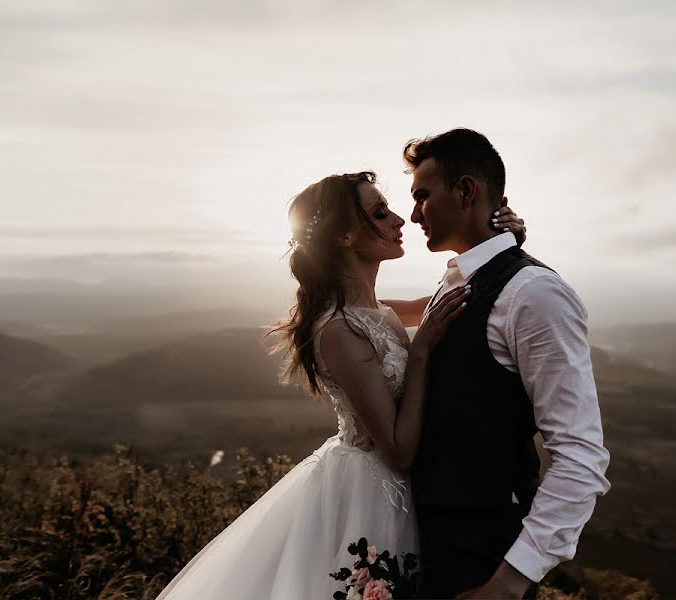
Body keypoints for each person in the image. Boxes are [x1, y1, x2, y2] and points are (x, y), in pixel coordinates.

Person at [155, 169, 527, 599]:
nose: (399, 221)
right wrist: (420, 351)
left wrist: (504, 242)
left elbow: (466, 292)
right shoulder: (338, 329)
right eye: (380, 212)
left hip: (415, 493)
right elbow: (399, 450)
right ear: (346, 238)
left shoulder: (378, 310)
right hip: (370, 495)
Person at [397, 128, 610, 599]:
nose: (413, 216)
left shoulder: (533, 293)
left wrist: (508, 584)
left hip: (480, 564)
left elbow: (581, 454)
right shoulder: (459, 279)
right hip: (429, 547)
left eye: (422, 197)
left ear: (466, 190)